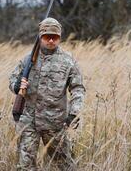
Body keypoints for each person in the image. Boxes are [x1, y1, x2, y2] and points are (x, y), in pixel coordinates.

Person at [8, 17, 85, 170]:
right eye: (46, 36)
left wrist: (74, 113)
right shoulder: (28, 59)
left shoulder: (68, 61)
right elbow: (13, 79)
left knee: (65, 165)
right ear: (40, 37)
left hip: (55, 122)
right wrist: (17, 86)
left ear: (60, 38)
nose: (51, 40)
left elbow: (78, 88)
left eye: (55, 37)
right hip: (28, 120)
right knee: (25, 166)